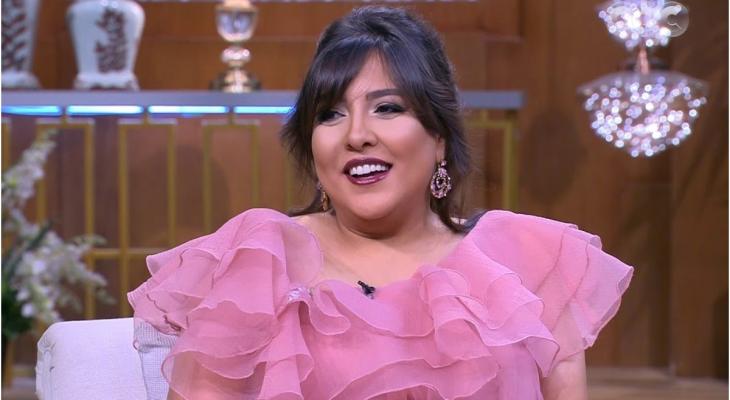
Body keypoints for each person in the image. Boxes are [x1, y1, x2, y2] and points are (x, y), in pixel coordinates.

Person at [128, 6, 633, 400]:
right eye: (330, 114)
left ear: (438, 137)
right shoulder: (262, 259)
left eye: (387, 108)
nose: (357, 135)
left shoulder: (529, 260)